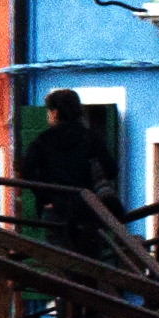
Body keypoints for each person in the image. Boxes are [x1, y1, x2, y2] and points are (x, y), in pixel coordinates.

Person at [23, 90, 119, 260]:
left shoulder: (44, 140)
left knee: (60, 261)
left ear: (55, 112)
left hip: (57, 210)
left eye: (49, 111)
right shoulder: (91, 138)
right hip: (86, 209)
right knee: (89, 263)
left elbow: (27, 171)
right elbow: (110, 169)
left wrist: (46, 198)